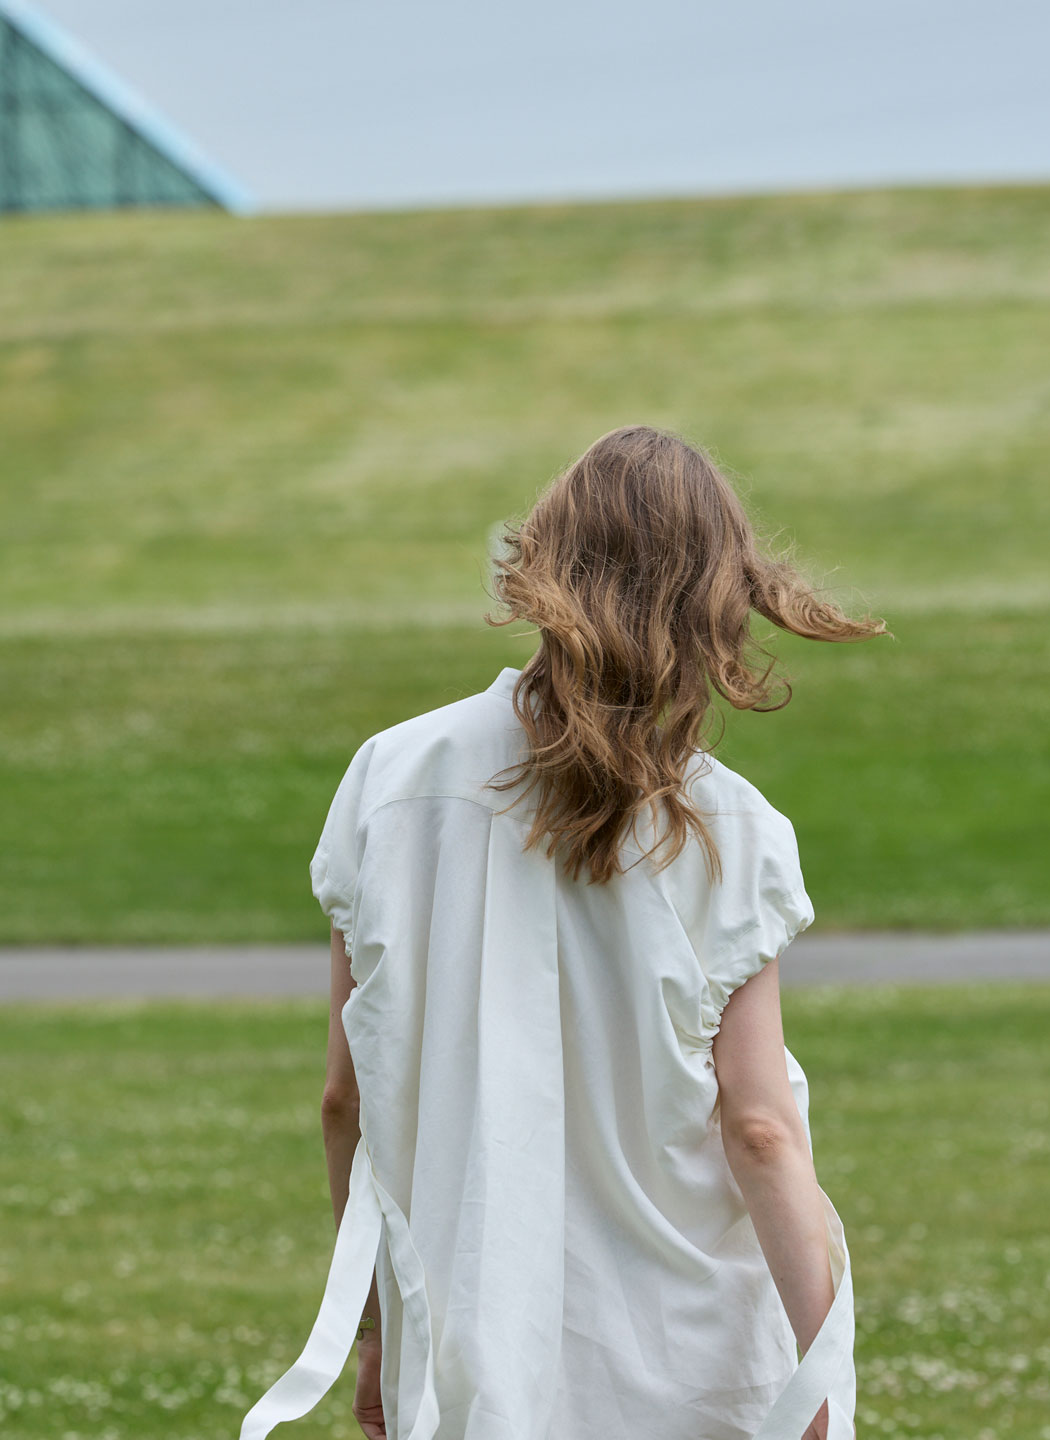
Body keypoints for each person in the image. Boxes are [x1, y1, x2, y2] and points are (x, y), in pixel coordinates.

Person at [238, 424, 889, 1440]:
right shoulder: (737, 830)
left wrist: (376, 1331)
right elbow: (760, 1131)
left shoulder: (390, 781)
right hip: (696, 1360)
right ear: (719, 595)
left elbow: (344, 1100)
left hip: (469, 1354)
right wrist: (822, 1386)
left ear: (542, 569)